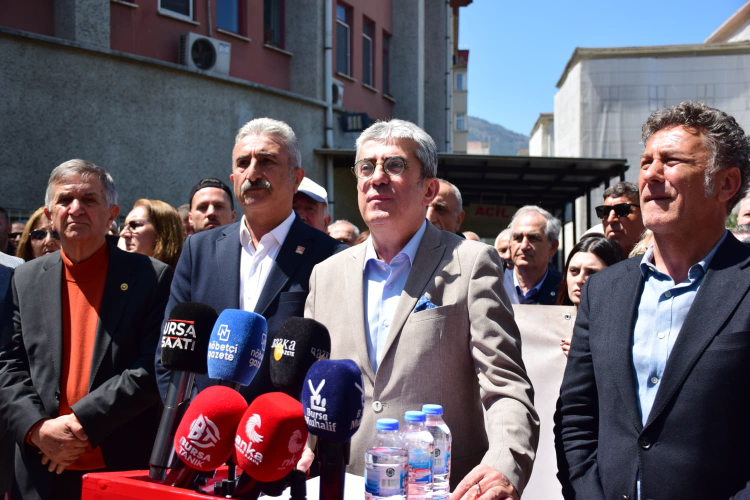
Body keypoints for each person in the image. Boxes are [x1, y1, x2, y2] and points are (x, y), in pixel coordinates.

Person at [305, 119, 539, 498]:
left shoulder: (471, 263)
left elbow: (505, 386)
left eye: (394, 165)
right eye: (366, 167)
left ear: (428, 189)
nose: (377, 178)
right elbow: (312, 384)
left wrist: (504, 464)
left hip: (442, 488)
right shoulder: (325, 274)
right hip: (343, 482)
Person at [555, 101, 750, 499]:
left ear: (726, 184)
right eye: (646, 162)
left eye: (671, 161)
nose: (651, 175)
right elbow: (576, 415)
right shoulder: (604, 290)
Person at [0, 159, 172, 499]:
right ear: (49, 215)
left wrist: (80, 423)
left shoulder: (151, 277)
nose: (76, 209)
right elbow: (8, 365)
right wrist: (38, 429)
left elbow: (152, 366)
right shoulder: (25, 278)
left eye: (89, 199)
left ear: (112, 215)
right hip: (38, 469)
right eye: (65, 200)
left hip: (118, 469)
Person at [156, 118, 346, 403]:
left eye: (267, 161)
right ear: (234, 179)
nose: (253, 173)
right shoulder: (199, 249)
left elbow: (334, 361)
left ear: (296, 178)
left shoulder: (330, 256)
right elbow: (169, 353)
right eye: (243, 163)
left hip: (283, 427)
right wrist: (197, 418)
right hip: (202, 423)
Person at [555, 236, 623, 355]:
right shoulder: (551, 319)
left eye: (591, 273)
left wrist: (585, 358)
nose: (579, 279)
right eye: (574, 271)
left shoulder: (622, 328)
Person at [509, 205, 562, 305]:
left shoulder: (564, 290)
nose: (523, 246)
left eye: (533, 238)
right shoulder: (496, 284)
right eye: (518, 238)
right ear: (510, 244)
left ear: (552, 247)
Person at [119, 199, 185, 269]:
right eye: (124, 226)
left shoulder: (186, 273)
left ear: (163, 230)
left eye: (135, 225)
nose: (123, 234)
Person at [597, 182, 646, 257]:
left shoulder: (658, 259)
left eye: (622, 210)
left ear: (644, 213)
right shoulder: (595, 260)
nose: (610, 219)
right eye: (605, 212)